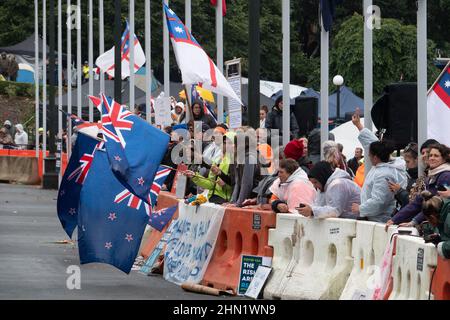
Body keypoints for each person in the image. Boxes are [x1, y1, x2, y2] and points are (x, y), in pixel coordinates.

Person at [350, 110, 408, 223]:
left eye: (369, 154)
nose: (368, 155)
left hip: (380, 220)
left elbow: (379, 201)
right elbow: (373, 143)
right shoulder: (385, 164)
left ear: (375, 157)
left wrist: (360, 208)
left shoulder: (384, 173)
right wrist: (358, 125)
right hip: (374, 218)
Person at [387, 143, 450, 229]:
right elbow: (416, 203)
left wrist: (414, 221)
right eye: (430, 155)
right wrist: (394, 219)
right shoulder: (431, 177)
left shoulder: (445, 176)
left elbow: (434, 206)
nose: (432, 158)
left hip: (443, 227)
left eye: (436, 156)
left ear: (444, 159)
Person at [183, 131, 235, 204]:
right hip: (212, 198)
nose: (224, 145)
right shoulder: (217, 160)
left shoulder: (235, 161)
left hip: (225, 201)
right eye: (224, 142)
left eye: (229, 143)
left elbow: (237, 184)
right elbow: (210, 184)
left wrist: (225, 185)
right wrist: (195, 176)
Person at [387, 142, 419, 210]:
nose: (405, 165)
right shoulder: (410, 175)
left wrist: (399, 191)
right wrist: (397, 193)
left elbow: (414, 202)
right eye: (405, 161)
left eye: (408, 162)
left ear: (417, 160)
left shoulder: (421, 177)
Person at [420, 191, 450, 259]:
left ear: (432, 217)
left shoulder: (448, 218)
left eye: (428, 220)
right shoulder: (444, 216)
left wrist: (443, 247)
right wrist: (440, 239)